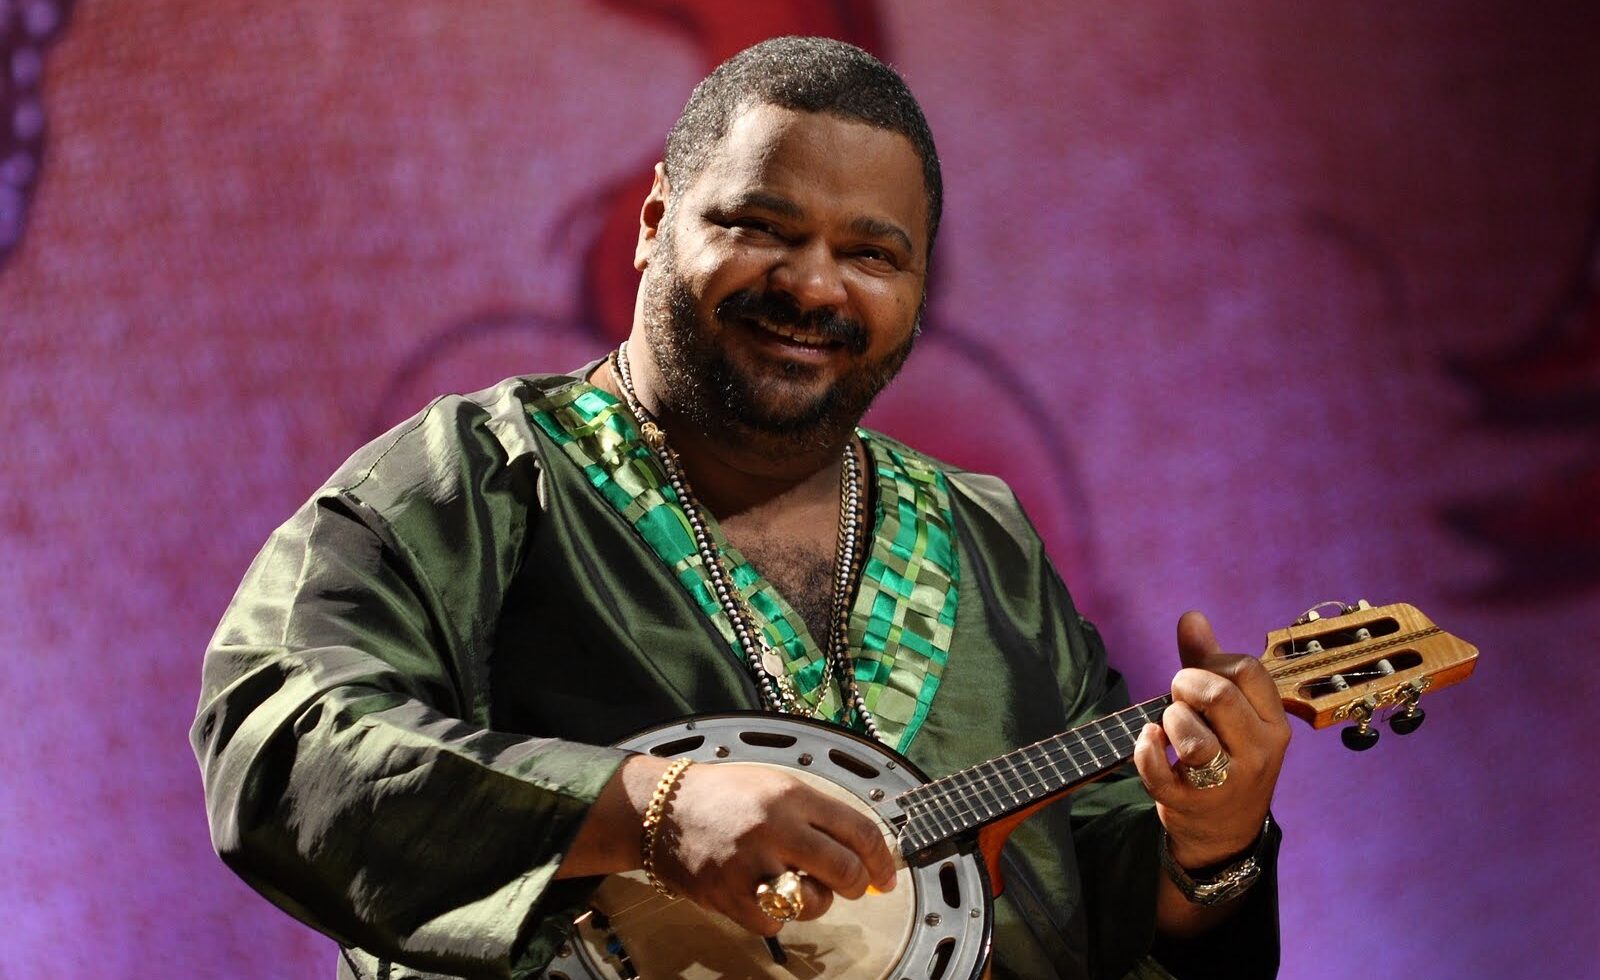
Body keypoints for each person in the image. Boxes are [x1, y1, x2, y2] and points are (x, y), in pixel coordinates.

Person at [192, 36, 1289, 980]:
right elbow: (281, 736)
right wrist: (647, 808)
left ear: (916, 291)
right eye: (764, 225)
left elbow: (1092, 896)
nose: (815, 284)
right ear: (655, 220)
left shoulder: (983, 535)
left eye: (870, 252)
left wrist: (1210, 846)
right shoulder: (474, 476)